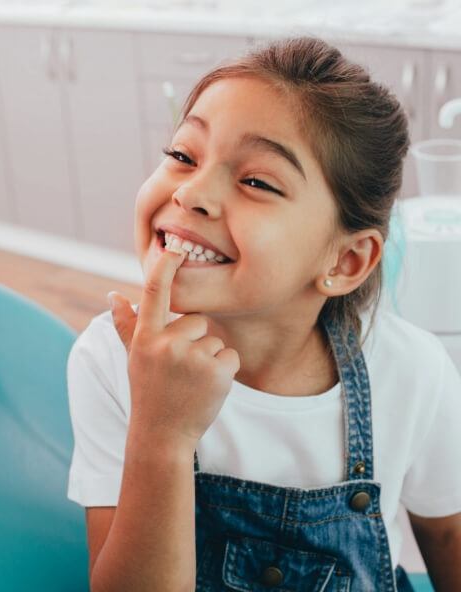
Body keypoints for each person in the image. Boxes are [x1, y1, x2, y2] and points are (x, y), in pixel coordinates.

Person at [66, 36, 461, 591]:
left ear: (346, 260)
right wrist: (161, 433)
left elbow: (448, 542)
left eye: (256, 181)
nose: (191, 193)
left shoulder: (413, 373)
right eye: (183, 155)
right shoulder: (111, 359)